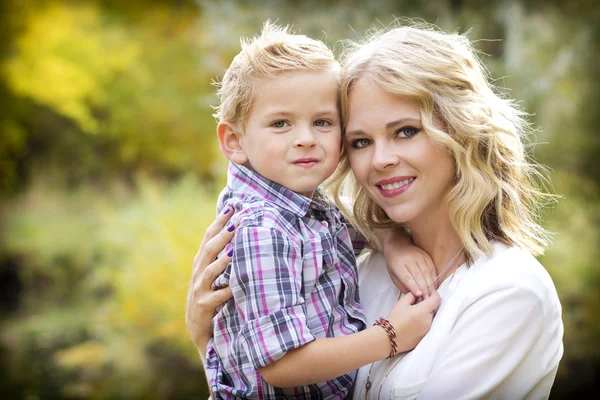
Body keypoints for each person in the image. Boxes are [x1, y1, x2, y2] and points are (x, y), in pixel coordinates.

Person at [188, 22, 564, 399]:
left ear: (462, 132)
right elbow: (274, 369)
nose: (380, 160)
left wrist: (390, 248)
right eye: (362, 141)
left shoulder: (508, 291)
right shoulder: (359, 270)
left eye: (405, 131)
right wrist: (207, 338)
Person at [191, 22, 441, 400]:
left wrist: (391, 240)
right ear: (234, 141)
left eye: (322, 122)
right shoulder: (264, 227)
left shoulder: (300, 203)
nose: (306, 138)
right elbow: (281, 365)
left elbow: (351, 228)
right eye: (281, 123)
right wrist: (389, 335)